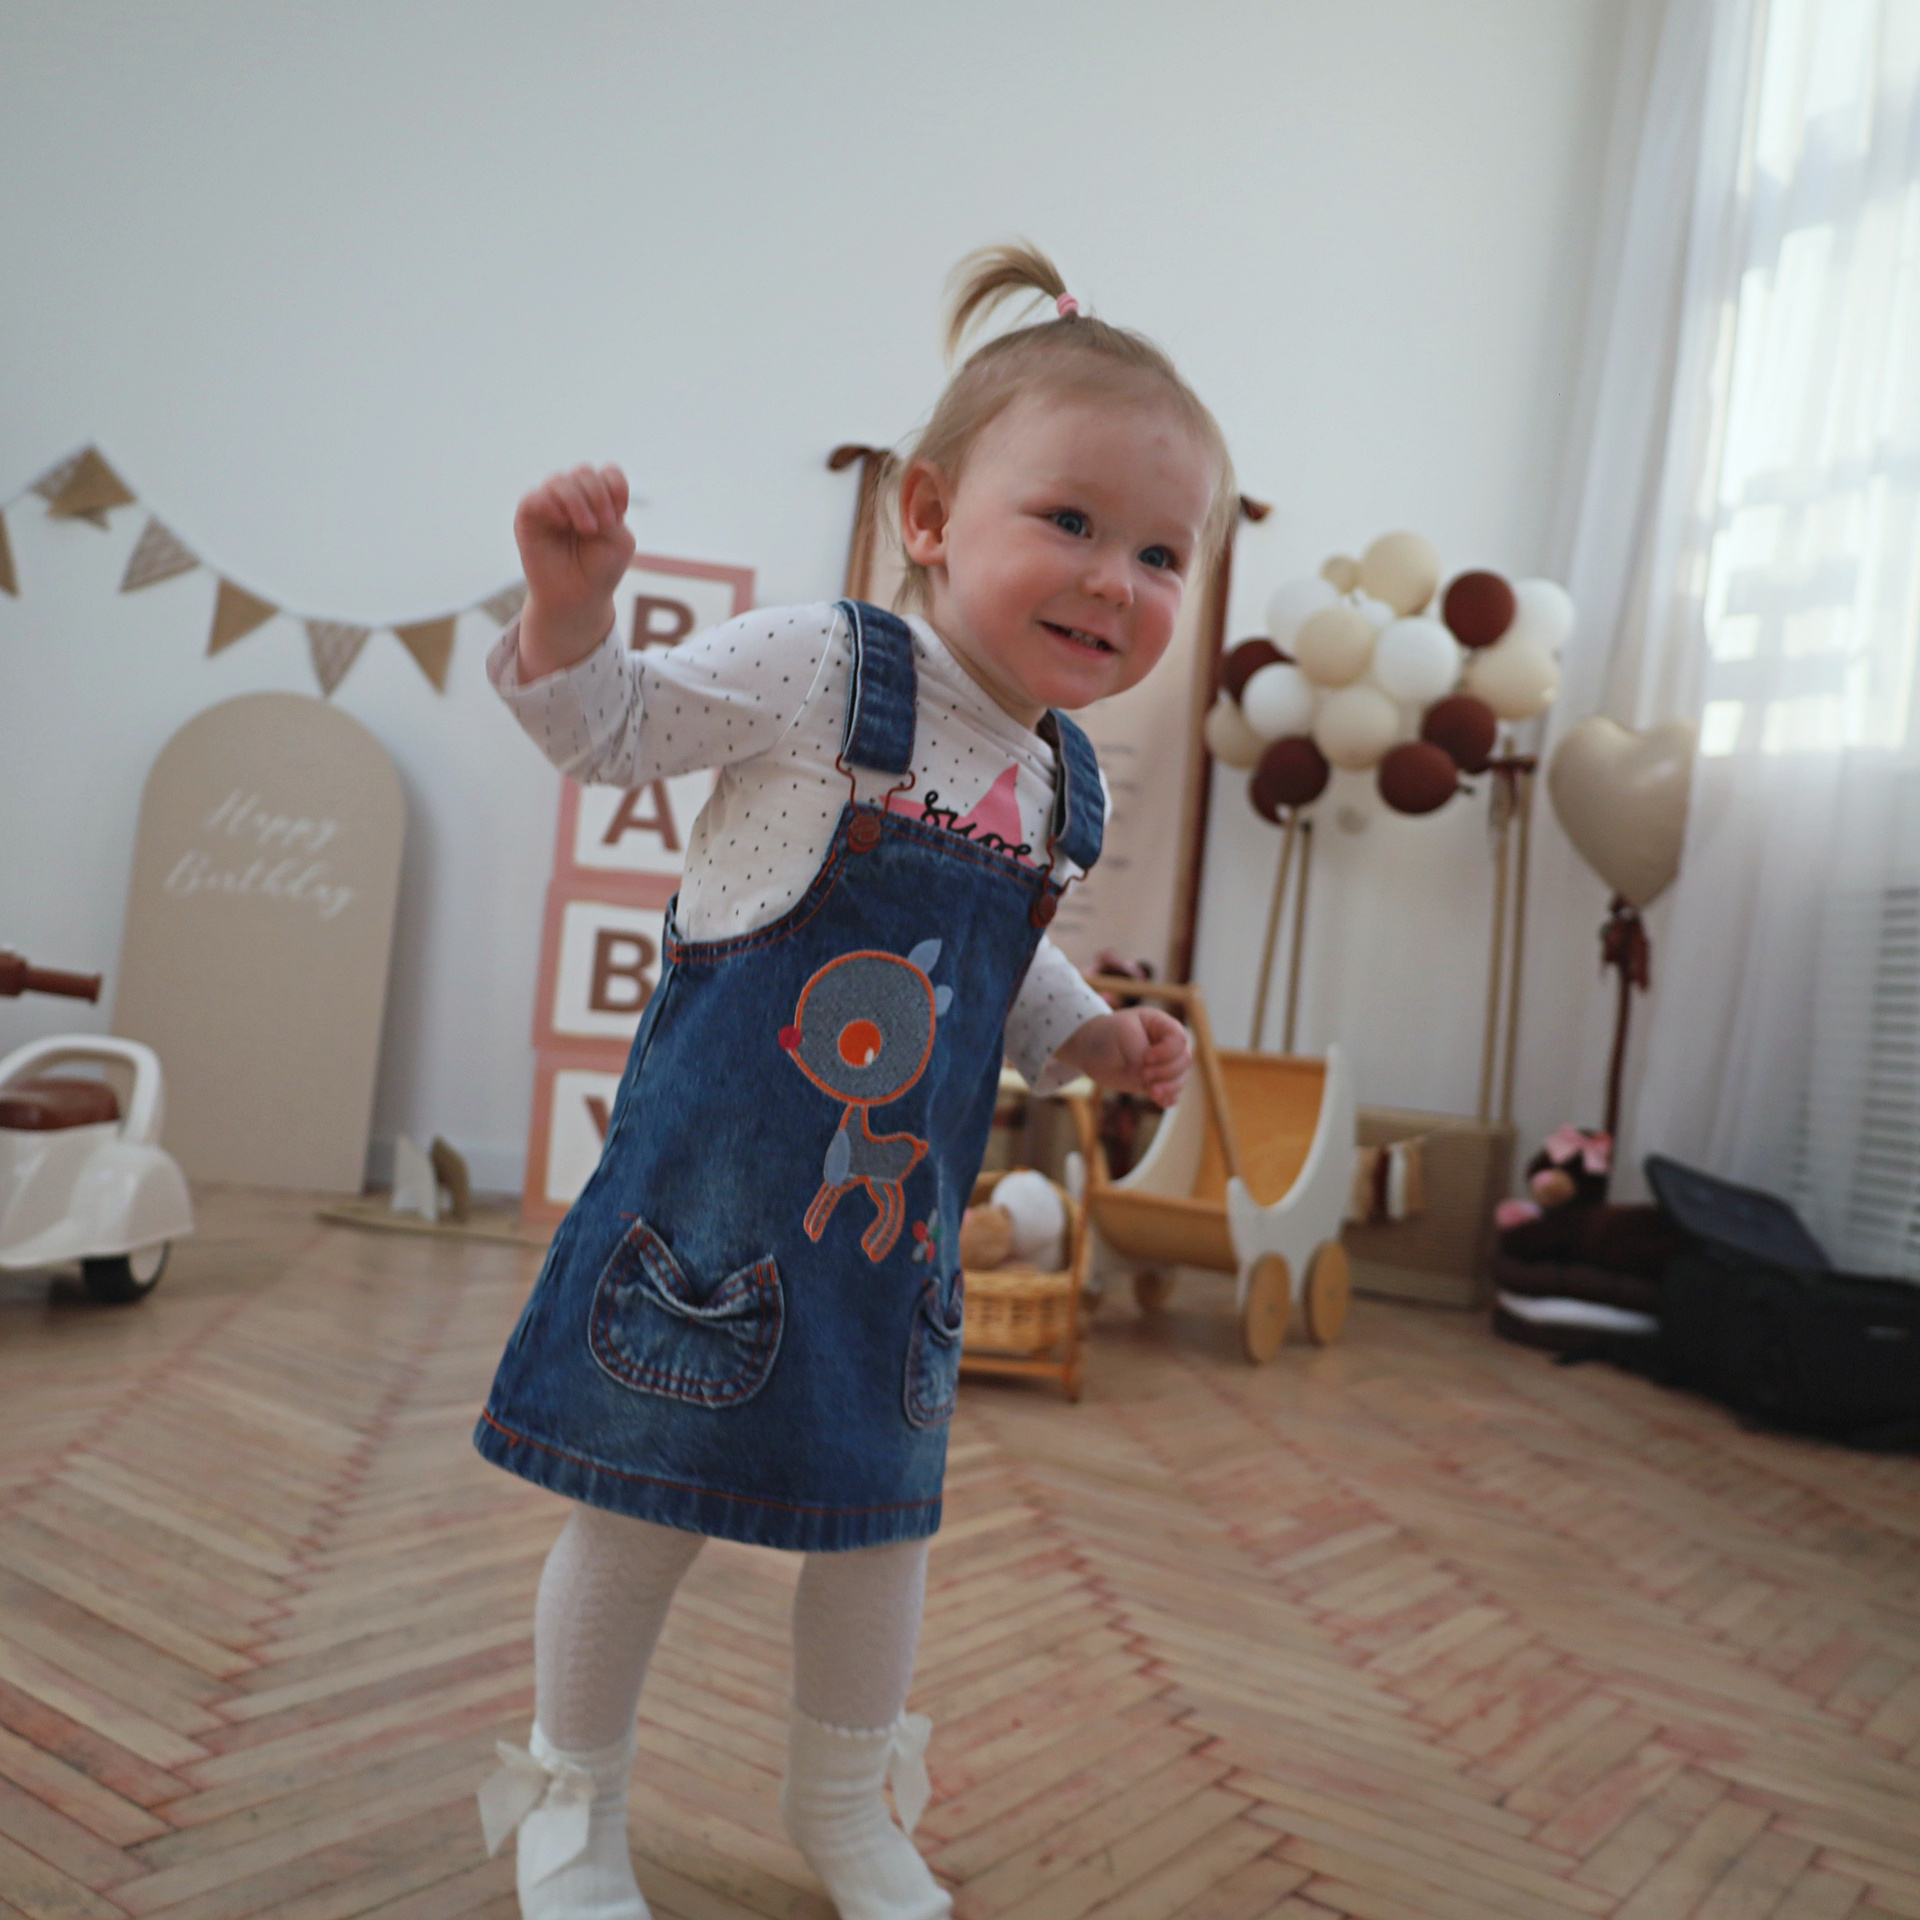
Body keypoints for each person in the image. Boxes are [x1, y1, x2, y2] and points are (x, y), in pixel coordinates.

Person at [474, 242, 1235, 1920]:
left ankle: (845, 1805)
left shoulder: (1065, 784)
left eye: (1161, 552)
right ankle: (569, 1806)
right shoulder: (826, 668)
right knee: (641, 1513)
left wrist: (1092, 1036)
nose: (1115, 580)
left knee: (881, 1532)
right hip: (707, 1227)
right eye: (1072, 521)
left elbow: (999, 966)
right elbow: (611, 732)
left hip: (890, 1247)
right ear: (932, 513)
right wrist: (572, 613)